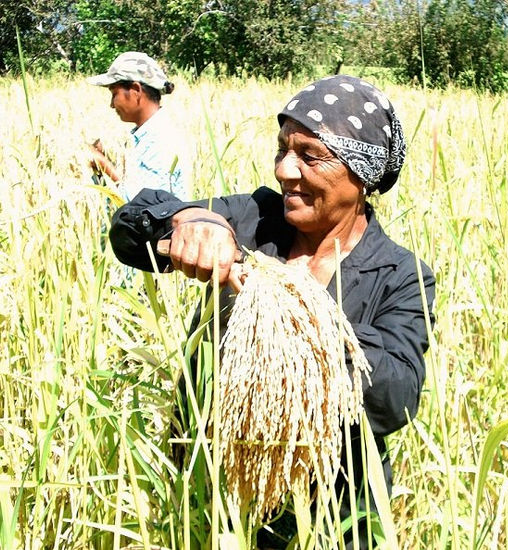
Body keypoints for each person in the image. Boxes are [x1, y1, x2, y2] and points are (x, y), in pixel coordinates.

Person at [109, 74, 435, 549]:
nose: (285, 170)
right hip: (213, 498)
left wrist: (288, 302)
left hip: (332, 517)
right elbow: (128, 231)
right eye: (283, 149)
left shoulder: (401, 274)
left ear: (361, 173)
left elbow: (395, 397)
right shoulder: (254, 218)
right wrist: (193, 220)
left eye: (309, 155)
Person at [87, 51, 192, 201]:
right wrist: (100, 169)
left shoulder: (161, 140)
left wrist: (105, 166)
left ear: (136, 91)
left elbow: (148, 207)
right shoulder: (145, 136)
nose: (111, 105)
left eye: (114, 94)